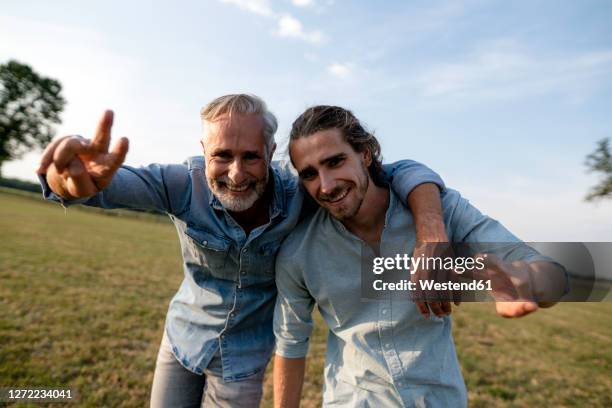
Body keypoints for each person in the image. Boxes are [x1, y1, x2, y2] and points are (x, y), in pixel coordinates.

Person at [36, 94, 450, 407]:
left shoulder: (303, 189)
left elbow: (394, 170)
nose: (236, 173)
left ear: (270, 154)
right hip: (182, 338)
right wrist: (66, 181)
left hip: (245, 359)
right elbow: (97, 185)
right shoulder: (182, 184)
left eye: (250, 156)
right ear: (203, 152)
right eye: (222, 156)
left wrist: (431, 228)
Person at [272, 105, 568, 407]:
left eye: (335, 162)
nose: (326, 185)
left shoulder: (444, 210)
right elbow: (290, 344)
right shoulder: (298, 252)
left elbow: (553, 275)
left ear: (364, 154)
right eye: (310, 174)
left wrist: (525, 279)